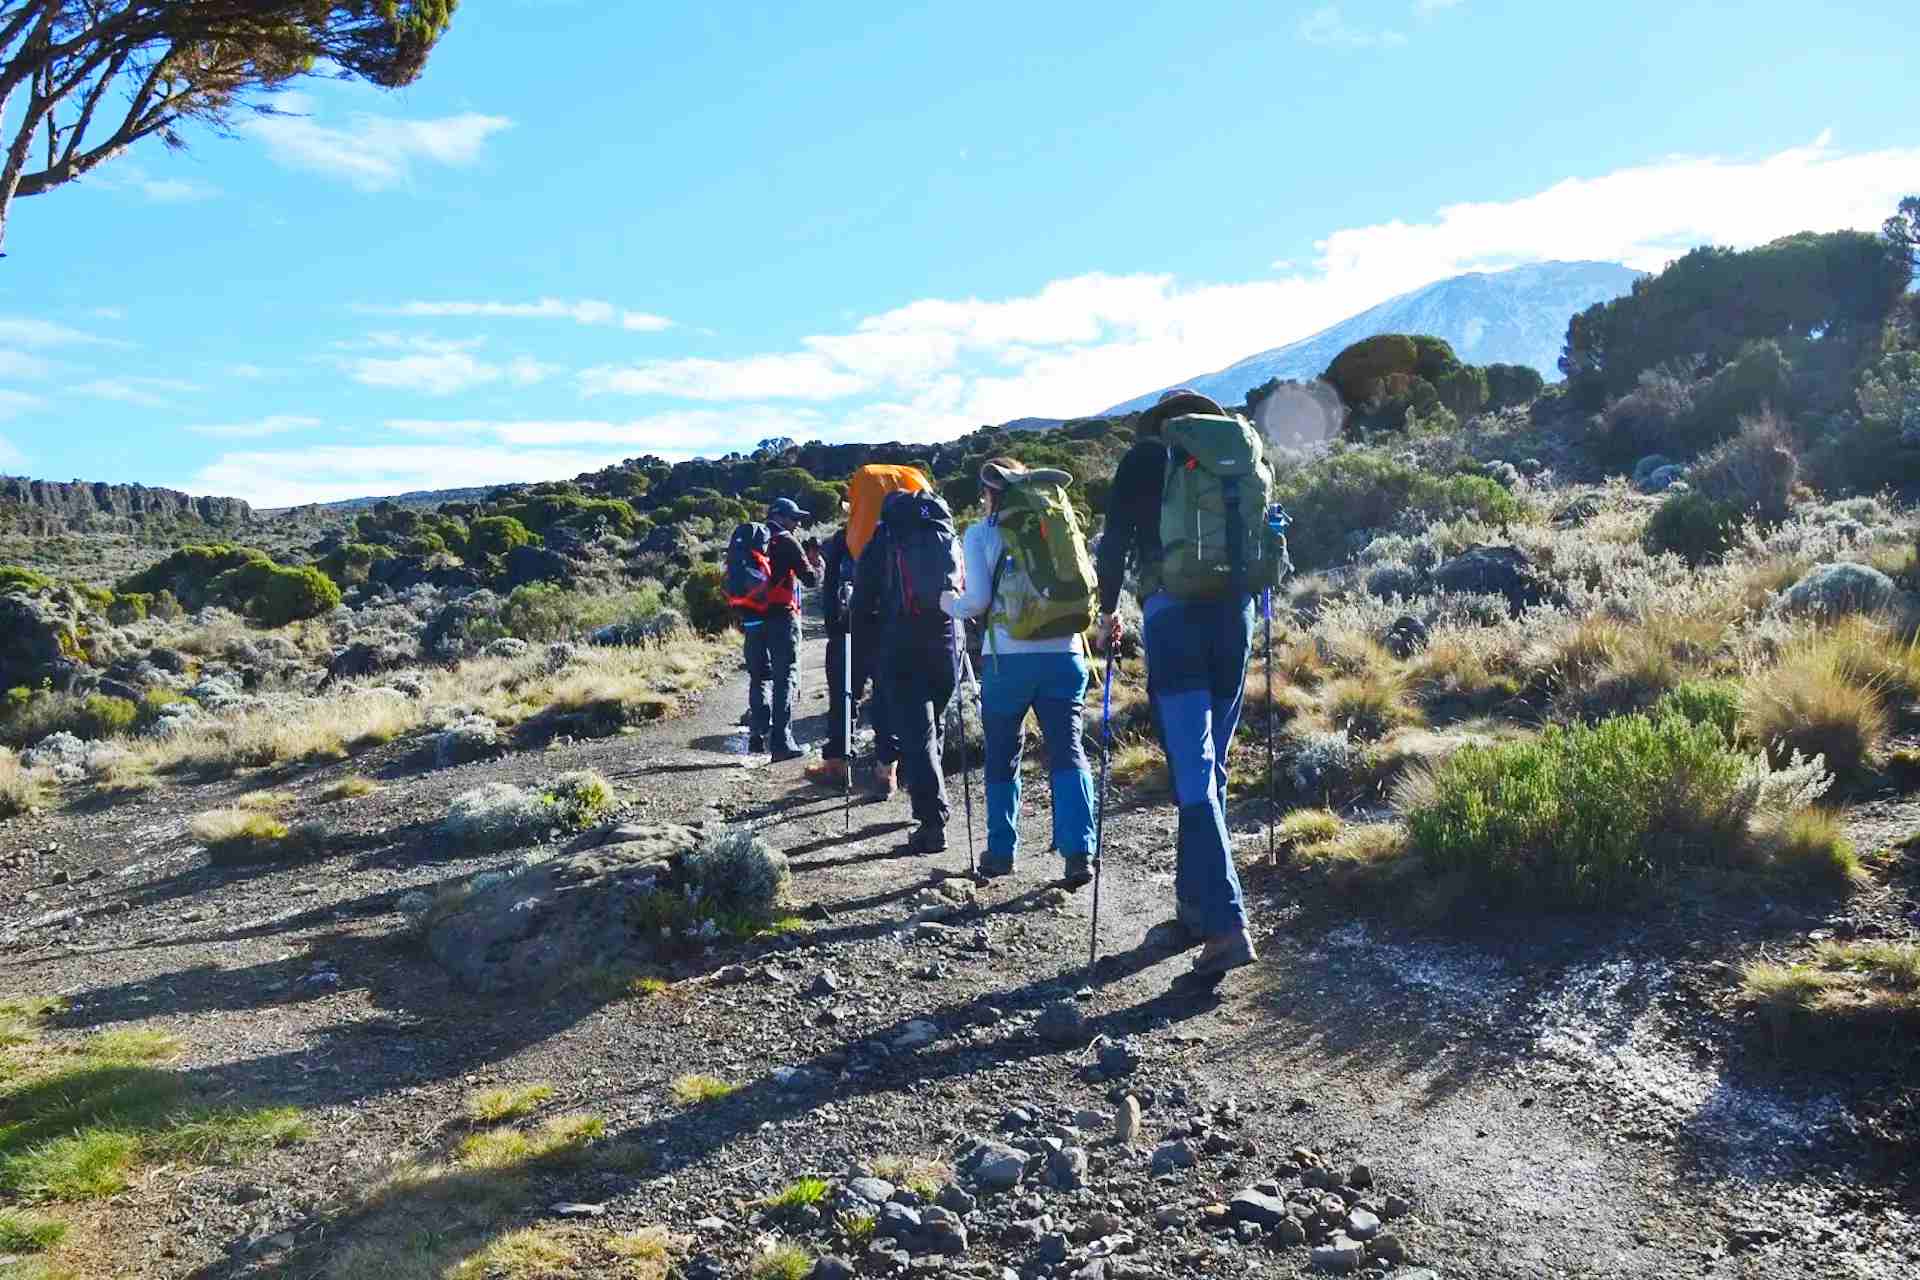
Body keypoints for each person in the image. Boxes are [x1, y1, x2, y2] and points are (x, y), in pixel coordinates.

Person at [1095, 388, 1259, 981]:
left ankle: (1225, 926)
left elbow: (1113, 543)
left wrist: (1107, 607)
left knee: (1192, 770)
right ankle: (1195, 911)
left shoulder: (1142, 460)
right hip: (1235, 618)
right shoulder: (1236, 459)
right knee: (1210, 769)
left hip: (1173, 619)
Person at [941, 458, 1097, 884]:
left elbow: (975, 602)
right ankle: (1079, 851)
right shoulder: (1059, 525)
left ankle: (1001, 851)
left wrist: (947, 604)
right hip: (1065, 655)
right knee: (1068, 749)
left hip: (1007, 660)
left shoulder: (981, 533)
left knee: (1003, 753)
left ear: (991, 492)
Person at [851, 488, 959, 853]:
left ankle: (932, 825)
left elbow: (861, 604)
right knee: (934, 727)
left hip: (902, 645)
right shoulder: (941, 532)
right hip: (945, 642)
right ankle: (931, 803)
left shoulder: (883, 540)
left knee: (918, 736)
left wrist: (864, 658)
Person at [741, 497, 822, 761]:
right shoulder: (786, 540)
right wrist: (816, 564)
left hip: (752, 618)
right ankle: (781, 742)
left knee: (759, 676)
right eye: (794, 517)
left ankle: (757, 736)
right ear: (780, 516)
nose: (798, 522)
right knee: (784, 675)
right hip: (781, 618)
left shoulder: (751, 539)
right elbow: (809, 579)